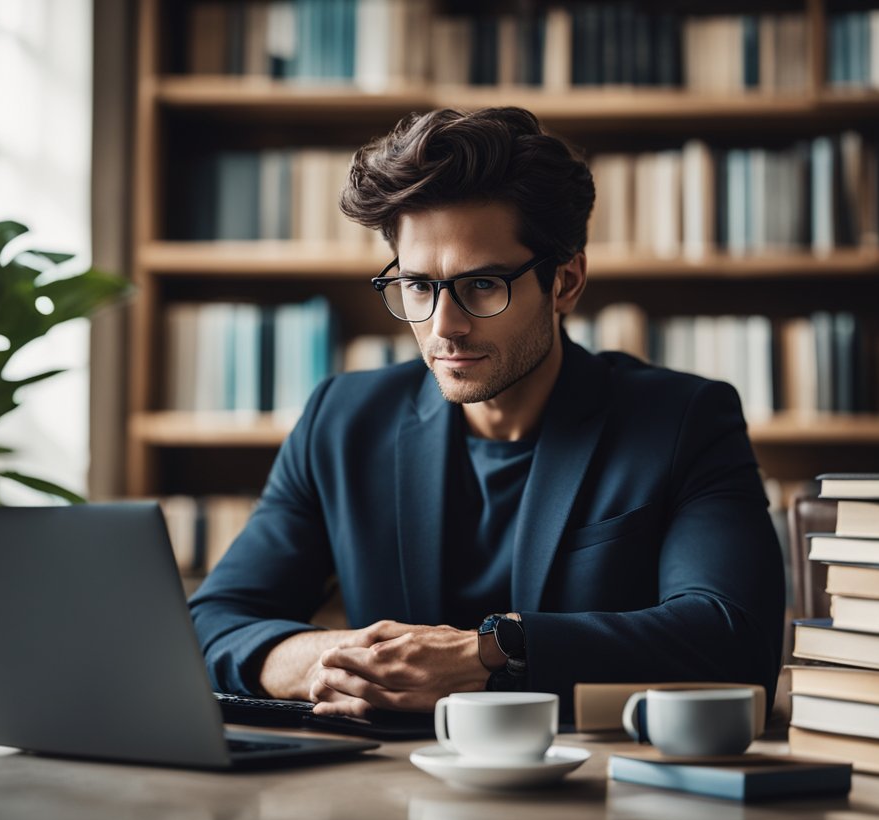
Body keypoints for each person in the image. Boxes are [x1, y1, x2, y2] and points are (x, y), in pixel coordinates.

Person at [189, 107, 784, 722]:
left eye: (481, 285)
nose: (445, 325)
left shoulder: (683, 420)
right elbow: (211, 622)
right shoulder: (341, 421)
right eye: (419, 286)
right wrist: (342, 662)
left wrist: (492, 653)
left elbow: (734, 638)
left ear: (567, 282)